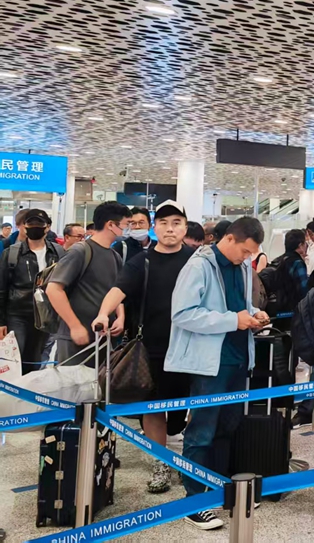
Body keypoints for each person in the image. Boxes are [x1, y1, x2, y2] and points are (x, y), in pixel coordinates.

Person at [166, 216, 269, 529]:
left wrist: (255, 314)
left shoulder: (241, 267)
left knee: (227, 427)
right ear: (230, 239)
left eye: (251, 253)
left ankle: (218, 488)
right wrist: (232, 321)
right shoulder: (199, 266)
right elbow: (183, 313)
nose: (247, 257)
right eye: (245, 251)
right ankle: (194, 500)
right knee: (202, 430)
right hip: (210, 363)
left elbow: (239, 305)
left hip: (238, 357)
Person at [91, 201, 193, 494]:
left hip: (192, 347)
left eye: (176, 222)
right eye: (163, 223)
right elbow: (118, 289)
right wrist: (103, 313)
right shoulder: (141, 261)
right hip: (151, 348)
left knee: (191, 407)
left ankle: (192, 460)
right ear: (154, 227)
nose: (170, 228)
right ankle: (161, 462)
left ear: (185, 227)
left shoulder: (197, 259)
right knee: (153, 408)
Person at [45, 201, 129, 366]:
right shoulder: (80, 251)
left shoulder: (115, 256)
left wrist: (120, 317)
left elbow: (116, 290)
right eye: (126, 224)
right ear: (111, 225)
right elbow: (53, 289)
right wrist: (75, 326)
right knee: (71, 382)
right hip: (75, 337)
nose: (128, 229)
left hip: (103, 336)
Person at [0, 209, 65, 371]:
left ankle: (30, 386)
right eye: (30, 223)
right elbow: (2, 288)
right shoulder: (12, 253)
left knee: (36, 358)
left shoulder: (58, 253)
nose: (34, 227)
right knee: (13, 359)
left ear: (47, 227)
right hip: (17, 313)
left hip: (45, 315)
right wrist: (1, 321)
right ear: (24, 226)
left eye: (39, 224)